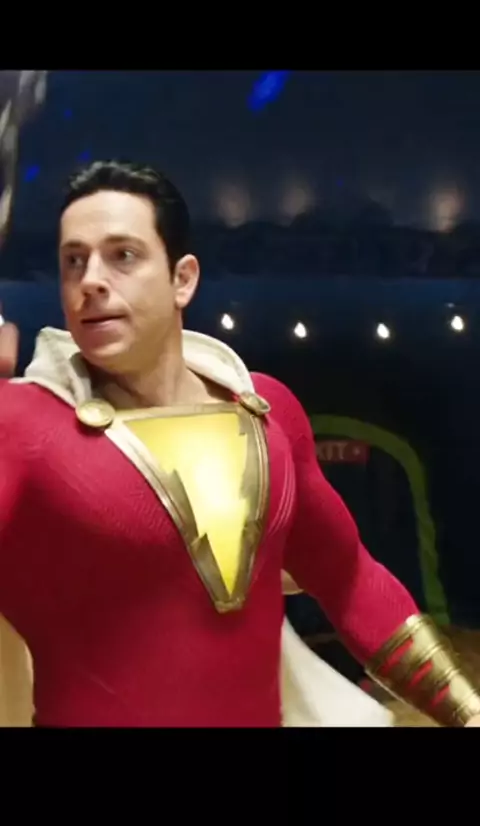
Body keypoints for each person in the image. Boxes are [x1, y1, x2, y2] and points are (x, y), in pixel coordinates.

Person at [0, 160, 479, 728]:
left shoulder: (267, 412)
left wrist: (467, 712)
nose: (91, 280)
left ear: (183, 279)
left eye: (122, 255)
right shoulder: (23, 425)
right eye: (74, 261)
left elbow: (350, 580)